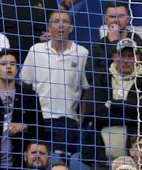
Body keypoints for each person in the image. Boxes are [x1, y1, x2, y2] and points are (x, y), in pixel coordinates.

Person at [20, 10, 90, 156]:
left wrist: (79, 121)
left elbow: (86, 90)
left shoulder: (82, 53)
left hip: (67, 121)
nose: (61, 26)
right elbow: (25, 85)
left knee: (61, 168)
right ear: (49, 28)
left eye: (65, 22)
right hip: (39, 119)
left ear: (71, 28)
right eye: (56, 22)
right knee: (37, 165)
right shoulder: (36, 51)